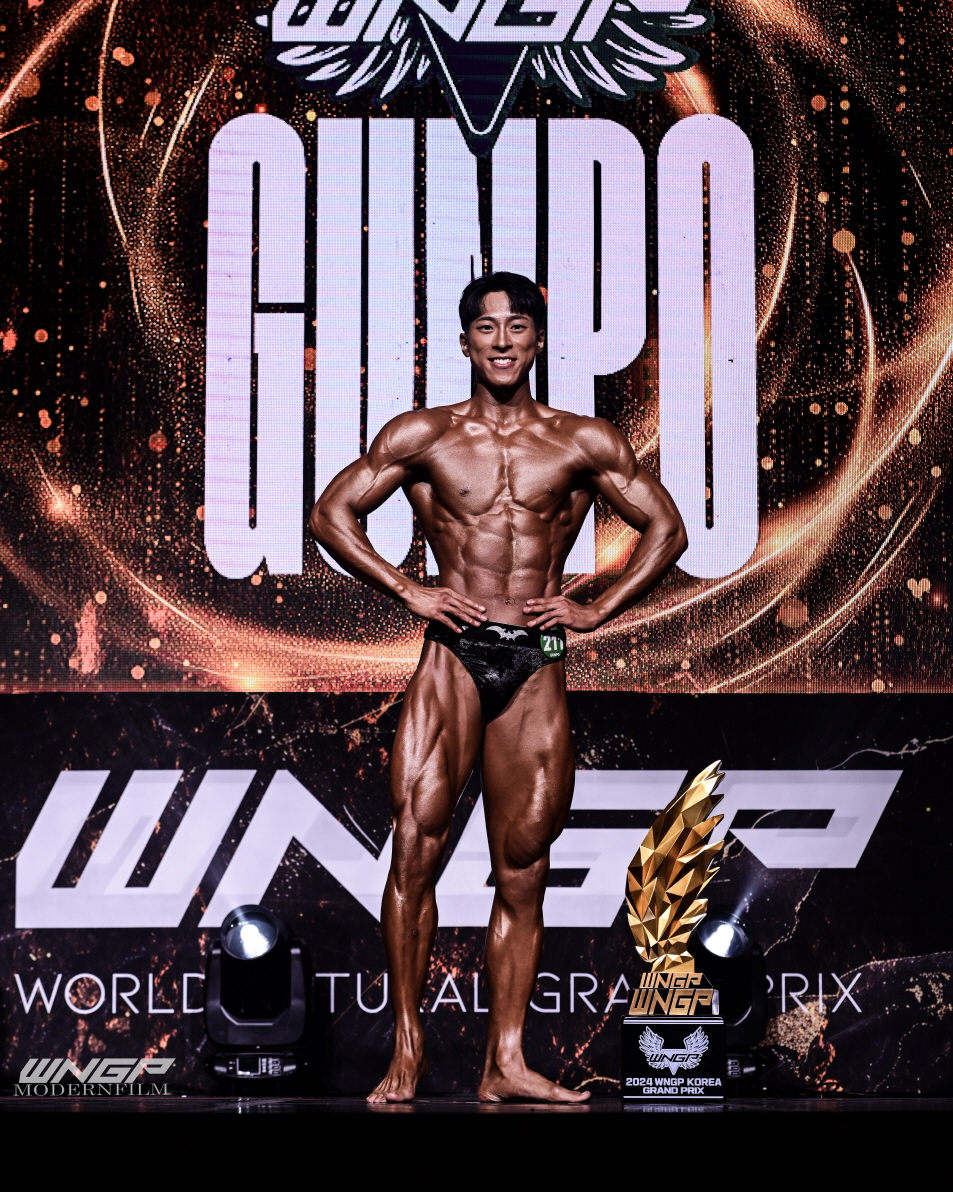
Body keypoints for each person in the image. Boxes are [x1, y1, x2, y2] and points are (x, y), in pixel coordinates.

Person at [310, 271, 687, 1102]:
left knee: (522, 868)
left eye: (517, 326)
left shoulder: (582, 441)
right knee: (415, 849)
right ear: (464, 342)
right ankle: (407, 1050)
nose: (503, 340)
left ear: (538, 339)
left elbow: (666, 528)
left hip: (535, 660)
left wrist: (597, 608)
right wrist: (407, 591)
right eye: (486, 327)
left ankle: (504, 1063)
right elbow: (330, 513)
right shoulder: (424, 434)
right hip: (451, 656)